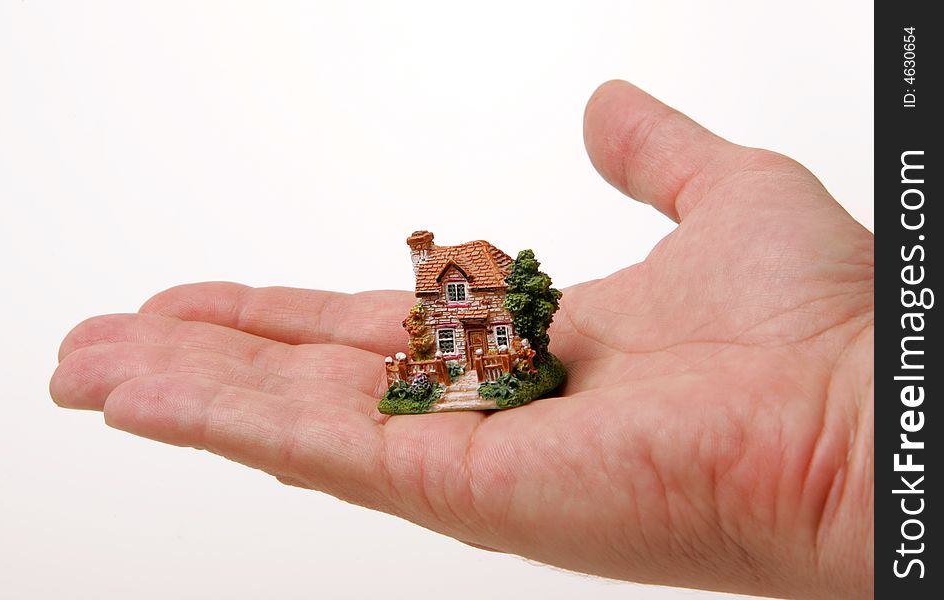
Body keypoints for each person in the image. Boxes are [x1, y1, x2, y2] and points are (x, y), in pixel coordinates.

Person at [50, 80, 873, 599]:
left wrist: (844, 441)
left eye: (452, 296)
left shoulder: (488, 305)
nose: (446, 307)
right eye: (443, 294)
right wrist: (835, 469)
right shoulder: (448, 299)